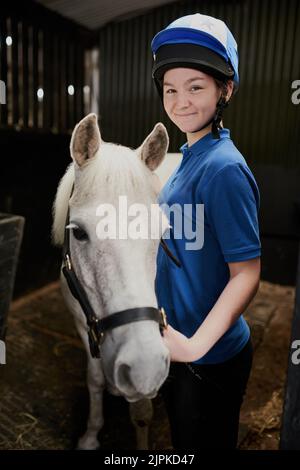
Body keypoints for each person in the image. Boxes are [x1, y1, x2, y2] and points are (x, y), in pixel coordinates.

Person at [151, 13, 261, 449]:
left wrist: (195, 348)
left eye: (195, 87)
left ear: (225, 89)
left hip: (207, 356)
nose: (180, 101)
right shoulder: (188, 157)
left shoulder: (223, 168)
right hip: (179, 343)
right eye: (170, 89)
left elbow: (247, 273)